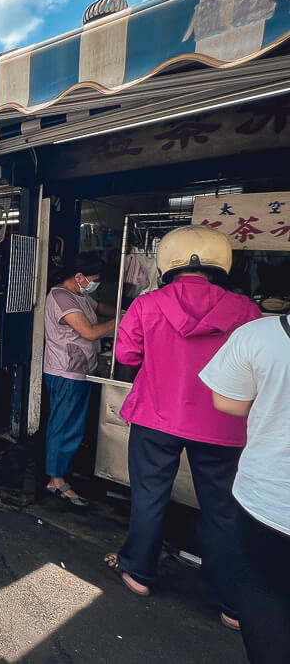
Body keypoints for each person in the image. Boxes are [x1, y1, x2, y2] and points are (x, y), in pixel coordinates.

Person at [105, 226, 260, 630]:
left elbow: (126, 354)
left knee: (149, 497)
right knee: (224, 510)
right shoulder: (245, 309)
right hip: (223, 424)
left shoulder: (147, 303)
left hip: (157, 416)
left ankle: (139, 573)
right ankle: (231, 604)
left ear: (167, 261)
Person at [200, 314, 290, 662]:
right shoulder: (240, 308)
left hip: (269, 500)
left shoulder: (262, 334)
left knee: (264, 594)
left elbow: (229, 401)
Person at [42, 252, 116, 507]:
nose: (95, 284)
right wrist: (121, 321)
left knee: (71, 426)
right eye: (93, 280)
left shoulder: (80, 295)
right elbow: (90, 332)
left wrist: (128, 308)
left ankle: (60, 469)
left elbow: (100, 308)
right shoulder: (60, 296)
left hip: (80, 370)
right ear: (79, 276)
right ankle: (56, 480)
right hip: (66, 372)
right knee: (64, 426)